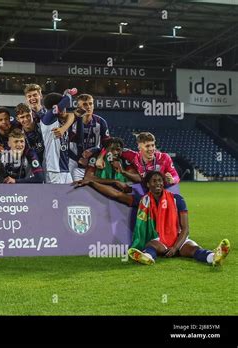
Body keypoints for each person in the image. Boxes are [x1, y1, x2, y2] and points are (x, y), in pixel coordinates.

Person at [75, 171, 230, 267]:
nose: (158, 183)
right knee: (151, 244)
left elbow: (186, 228)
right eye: (154, 181)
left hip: (179, 240)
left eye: (160, 180)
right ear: (148, 184)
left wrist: (176, 247)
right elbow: (116, 194)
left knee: (194, 250)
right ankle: (147, 257)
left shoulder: (177, 199)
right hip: (160, 241)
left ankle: (214, 257)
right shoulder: (143, 200)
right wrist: (92, 182)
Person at [96, 132, 179, 186]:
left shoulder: (164, 158)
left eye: (153, 145)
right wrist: (100, 157)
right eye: (147, 146)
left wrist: (172, 180)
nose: (151, 149)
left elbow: (176, 176)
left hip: (161, 191)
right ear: (139, 147)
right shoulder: (133, 156)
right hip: (143, 192)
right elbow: (110, 146)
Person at [70, 93, 110, 181]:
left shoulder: (101, 122)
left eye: (90, 103)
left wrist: (98, 154)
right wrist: (78, 159)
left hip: (92, 161)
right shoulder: (72, 121)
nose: (88, 107)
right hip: (73, 162)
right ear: (78, 107)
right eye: (85, 104)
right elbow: (67, 143)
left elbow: (108, 145)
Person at [40, 89, 77, 184]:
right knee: (53, 198)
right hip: (53, 170)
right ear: (54, 107)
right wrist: (68, 94)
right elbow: (64, 102)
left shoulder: (60, 122)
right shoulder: (47, 119)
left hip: (65, 169)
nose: (65, 109)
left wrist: (64, 128)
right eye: (64, 107)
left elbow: (72, 115)